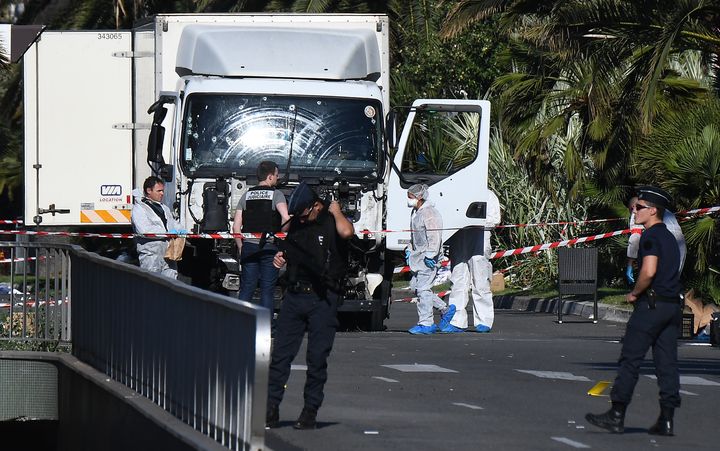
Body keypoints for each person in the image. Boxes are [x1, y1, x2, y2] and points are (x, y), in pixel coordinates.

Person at [586, 186, 682, 436]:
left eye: (639, 207)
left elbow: (649, 271)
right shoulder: (670, 237)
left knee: (631, 358)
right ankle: (667, 418)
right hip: (672, 306)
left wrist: (634, 293)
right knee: (667, 363)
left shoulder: (650, 237)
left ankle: (616, 414)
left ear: (653, 210)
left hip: (651, 305)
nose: (634, 210)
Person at [266, 182, 354, 430]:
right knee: (280, 356)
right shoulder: (297, 222)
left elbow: (347, 233)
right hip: (295, 297)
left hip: (322, 298)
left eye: (306, 213)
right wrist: (280, 257)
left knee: (316, 358)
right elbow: (290, 250)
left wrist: (336, 211)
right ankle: (271, 408)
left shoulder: (330, 220)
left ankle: (310, 411)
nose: (302, 219)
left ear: (316, 205)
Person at [232, 161, 290, 309]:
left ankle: (239, 323)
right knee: (267, 291)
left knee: (246, 289)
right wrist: (282, 238)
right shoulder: (276, 194)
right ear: (270, 177)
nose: (277, 179)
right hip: (268, 247)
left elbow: (236, 226)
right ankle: (266, 328)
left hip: (249, 247)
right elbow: (286, 218)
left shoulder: (246, 195)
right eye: (276, 176)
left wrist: (240, 247)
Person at [442, 190, 501, 333]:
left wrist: (476, 222)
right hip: (459, 236)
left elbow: (494, 219)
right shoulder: (458, 193)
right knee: (458, 280)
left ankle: (484, 320)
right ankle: (457, 321)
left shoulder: (487, 194)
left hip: (480, 236)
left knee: (480, 279)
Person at [405, 183, 455, 335]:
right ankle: (445, 309)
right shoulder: (416, 212)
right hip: (418, 257)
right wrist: (409, 250)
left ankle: (426, 323)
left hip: (429, 258)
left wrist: (430, 255)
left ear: (419, 197)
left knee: (423, 289)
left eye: (410, 197)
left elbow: (435, 236)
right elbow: (415, 235)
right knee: (417, 288)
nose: (408, 200)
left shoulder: (430, 214)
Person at [131, 176, 181, 279]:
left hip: (168, 254)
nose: (162, 193)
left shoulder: (164, 208)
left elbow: (172, 224)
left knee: (171, 285)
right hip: (151, 256)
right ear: (149, 191)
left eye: (162, 191)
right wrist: (167, 232)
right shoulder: (139, 209)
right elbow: (144, 230)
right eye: (159, 191)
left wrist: (181, 230)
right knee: (151, 285)